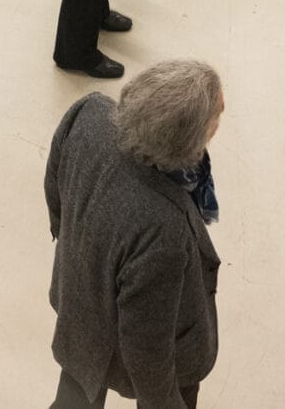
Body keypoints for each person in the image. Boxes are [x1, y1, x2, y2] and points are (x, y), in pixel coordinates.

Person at [44, 60, 224, 408]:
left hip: (82, 303)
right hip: (148, 349)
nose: (218, 124)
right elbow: (147, 351)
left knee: (74, 395)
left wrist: (79, 242)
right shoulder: (164, 231)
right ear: (188, 141)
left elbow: (54, 184)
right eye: (217, 116)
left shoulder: (90, 113)